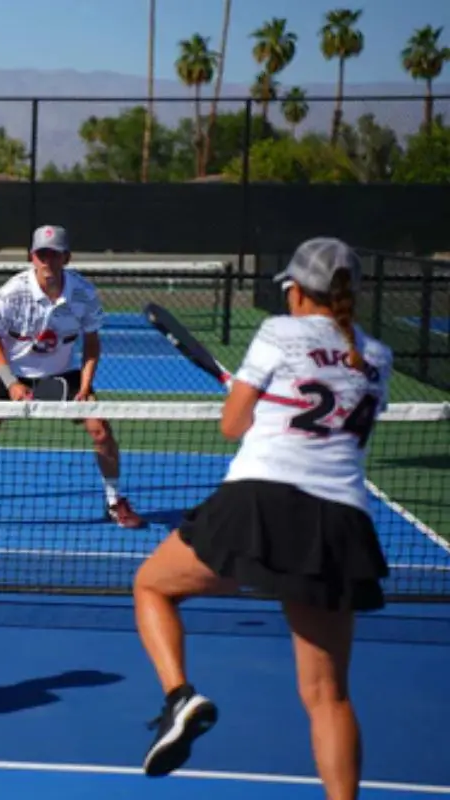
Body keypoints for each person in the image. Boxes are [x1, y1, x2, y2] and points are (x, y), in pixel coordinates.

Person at [134, 238, 393, 799]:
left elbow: (233, 425)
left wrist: (253, 404)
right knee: (330, 696)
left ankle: (180, 697)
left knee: (151, 586)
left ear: (297, 292)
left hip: (261, 501)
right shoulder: (377, 355)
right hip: (339, 522)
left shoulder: (279, 332)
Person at [0, 225, 146, 531]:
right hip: (12, 375)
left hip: (61, 377)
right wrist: (11, 383)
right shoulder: (12, 292)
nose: (47, 260)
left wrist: (86, 383)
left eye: (54, 254)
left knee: (101, 431)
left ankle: (115, 501)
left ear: (67, 258)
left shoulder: (84, 294)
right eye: (42, 254)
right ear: (32, 257)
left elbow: (91, 343)